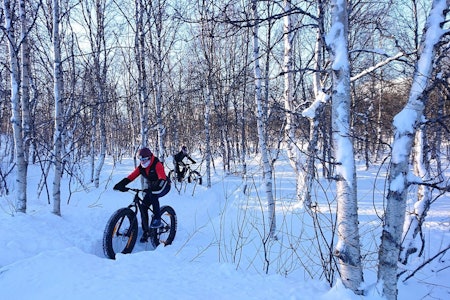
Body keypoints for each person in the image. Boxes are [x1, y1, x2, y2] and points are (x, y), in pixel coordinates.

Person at [113, 147, 170, 243]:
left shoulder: (157, 164)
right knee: (143, 207)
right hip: (152, 187)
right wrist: (121, 184)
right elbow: (131, 176)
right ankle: (146, 231)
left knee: (153, 196)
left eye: (144, 159)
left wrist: (155, 189)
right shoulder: (141, 167)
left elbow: (162, 178)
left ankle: (157, 219)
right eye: (141, 159)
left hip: (164, 185)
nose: (142, 162)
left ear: (149, 157)